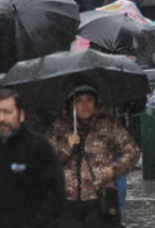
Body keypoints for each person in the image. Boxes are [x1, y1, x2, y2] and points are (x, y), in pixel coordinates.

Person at [0, 89, 66, 228]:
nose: (1, 118)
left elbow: (54, 196)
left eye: (7, 112)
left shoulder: (39, 148)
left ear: (21, 115)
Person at [46, 84, 141, 227]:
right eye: (79, 100)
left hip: (100, 197)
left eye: (89, 99)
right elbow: (46, 161)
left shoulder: (108, 124)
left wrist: (113, 170)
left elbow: (133, 151)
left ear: (96, 102)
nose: (85, 105)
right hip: (67, 199)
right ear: (71, 104)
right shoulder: (59, 127)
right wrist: (67, 148)